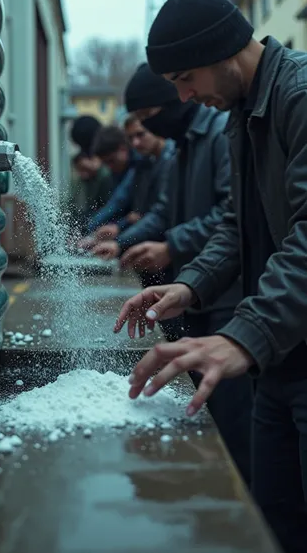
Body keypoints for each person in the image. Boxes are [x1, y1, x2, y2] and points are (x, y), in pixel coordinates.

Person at [115, 0, 307, 553]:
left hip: (283, 342)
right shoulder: (240, 112)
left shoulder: (298, 96)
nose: (185, 96)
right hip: (280, 359)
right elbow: (236, 225)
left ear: (223, 51)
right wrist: (189, 284)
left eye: (184, 78)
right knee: (270, 519)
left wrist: (241, 337)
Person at [94, 64, 252, 483]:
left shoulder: (219, 134)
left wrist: (173, 246)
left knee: (233, 418)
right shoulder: (183, 144)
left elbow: (230, 215)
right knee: (205, 407)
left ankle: (233, 500)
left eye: (146, 119)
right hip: (197, 285)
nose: (145, 129)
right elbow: (164, 211)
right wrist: (128, 240)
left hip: (229, 295)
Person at [85, 113, 175, 242]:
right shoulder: (144, 162)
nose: (135, 143)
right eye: (131, 138)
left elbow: (154, 212)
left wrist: (119, 236)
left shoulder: (162, 160)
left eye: (140, 134)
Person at [64, 151, 113, 235]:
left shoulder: (105, 175)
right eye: (79, 170)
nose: (83, 174)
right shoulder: (88, 180)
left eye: (83, 168)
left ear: (94, 160)